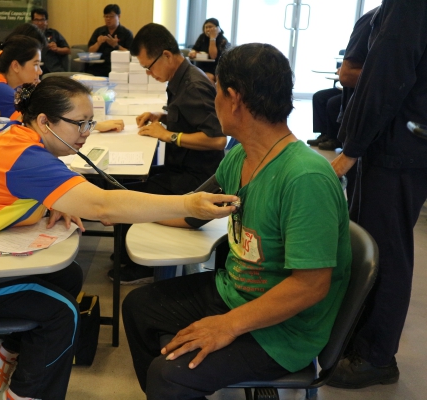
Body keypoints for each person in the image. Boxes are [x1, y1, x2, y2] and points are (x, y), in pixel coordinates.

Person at [0, 76, 235, 400]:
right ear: (44, 121)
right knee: (62, 312)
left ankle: (8, 352)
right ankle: (25, 394)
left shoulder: (21, 138)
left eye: (90, 123)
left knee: (67, 275)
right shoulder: (26, 157)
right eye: (80, 123)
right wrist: (187, 204)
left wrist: (53, 202)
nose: (87, 132)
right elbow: (104, 206)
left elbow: (10, 195)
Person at [122, 43, 352, 399]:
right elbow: (192, 211)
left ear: (233, 98)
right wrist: (126, 208)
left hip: (284, 329)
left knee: (169, 376)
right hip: (234, 292)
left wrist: (227, 325)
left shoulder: (305, 178)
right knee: (139, 308)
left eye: (216, 90)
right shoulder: (240, 156)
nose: (214, 99)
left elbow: (310, 286)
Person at [328, 0, 427, 389]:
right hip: (406, 140)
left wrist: (352, 148)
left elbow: (388, 72)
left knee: (385, 250)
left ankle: (375, 355)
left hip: (397, 146)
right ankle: (360, 339)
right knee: (383, 244)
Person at [110, 22, 226, 285]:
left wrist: (169, 135)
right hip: (183, 166)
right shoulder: (181, 77)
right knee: (130, 185)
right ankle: (126, 253)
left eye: (149, 67)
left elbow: (218, 139)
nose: (149, 73)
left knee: (129, 196)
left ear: (166, 55)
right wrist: (162, 116)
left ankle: (141, 265)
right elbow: (188, 116)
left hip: (198, 177)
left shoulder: (193, 85)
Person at [0, 31, 124, 182]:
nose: (40, 71)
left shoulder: (4, 85)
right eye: (36, 65)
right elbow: (43, 119)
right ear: (16, 66)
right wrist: (94, 125)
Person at [307, 7, 377, 152]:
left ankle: (334, 138)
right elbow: (347, 75)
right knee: (319, 97)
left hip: (359, 92)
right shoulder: (371, 20)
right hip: (350, 88)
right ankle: (324, 134)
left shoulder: (375, 20)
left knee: (332, 103)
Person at [86, 4, 133, 76]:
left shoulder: (126, 33)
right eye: (106, 16)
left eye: (111, 16)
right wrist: (98, 43)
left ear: (119, 16)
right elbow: (90, 51)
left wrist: (116, 46)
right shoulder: (99, 31)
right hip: (99, 67)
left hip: (118, 69)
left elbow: (131, 55)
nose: (108, 19)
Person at [188, 18, 230, 82]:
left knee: (207, 77)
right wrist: (193, 53)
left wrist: (212, 38)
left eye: (210, 27)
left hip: (216, 68)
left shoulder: (223, 40)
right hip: (201, 66)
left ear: (217, 28)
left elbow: (213, 56)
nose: (208, 29)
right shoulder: (202, 37)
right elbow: (195, 49)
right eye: (206, 27)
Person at [30, 7, 71, 73]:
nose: (40, 23)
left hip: (54, 70)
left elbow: (68, 50)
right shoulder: (27, 35)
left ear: (47, 22)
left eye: (42, 20)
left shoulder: (53, 33)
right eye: (36, 20)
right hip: (34, 70)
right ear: (32, 22)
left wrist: (57, 49)